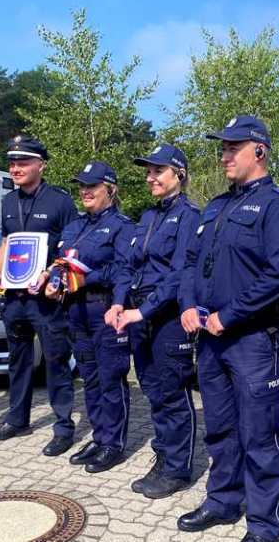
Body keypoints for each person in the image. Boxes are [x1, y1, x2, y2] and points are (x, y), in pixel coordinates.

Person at [177, 115, 279, 542]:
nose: (224, 155)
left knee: (260, 433)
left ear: (260, 151)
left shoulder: (278, 207)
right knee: (220, 427)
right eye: (223, 148)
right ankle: (222, 501)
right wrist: (188, 305)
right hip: (210, 339)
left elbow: (278, 276)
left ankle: (265, 524)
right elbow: (191, 262)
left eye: (234, 148)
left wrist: (228, 315)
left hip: (252, 340)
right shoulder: (216, 205)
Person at [107, 144, 200, 498]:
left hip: (167, 317)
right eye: (148, 172)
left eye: (158, 171)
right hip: (138, 315)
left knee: (172, 392)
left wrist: (142, 311)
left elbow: (179, 275)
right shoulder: (147, 217)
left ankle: (177, 468)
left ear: (179, 174)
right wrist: (119, 302)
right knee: (153, 391)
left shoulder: (190, 216)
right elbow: (126, 265)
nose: (150, 178)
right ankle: (163, 456)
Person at [0, 135, 78, 457]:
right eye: (12, 163)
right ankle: (17, 420)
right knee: (19, 360)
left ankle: (63, 428)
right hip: (15, 297)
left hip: (46, 300)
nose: (15, 168)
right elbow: (7, 240)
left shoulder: (60, 201)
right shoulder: (8, 201)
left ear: (41, 165)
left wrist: (53, 274)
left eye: (23, 163)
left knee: (55, 362)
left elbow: (71, 247)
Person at [45, 161, 134, 473]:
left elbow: (124, 270)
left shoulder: (123, 226)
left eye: (92, 186)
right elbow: (61, 263)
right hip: (75, 310)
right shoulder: (74, 226)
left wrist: (87, 279)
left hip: (104, 309)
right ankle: (99, 437)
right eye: (82, 186)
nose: (85, 191)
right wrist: (52, 280)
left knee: (111, 378)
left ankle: (114, 444)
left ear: (110, 189)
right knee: (90, 379)